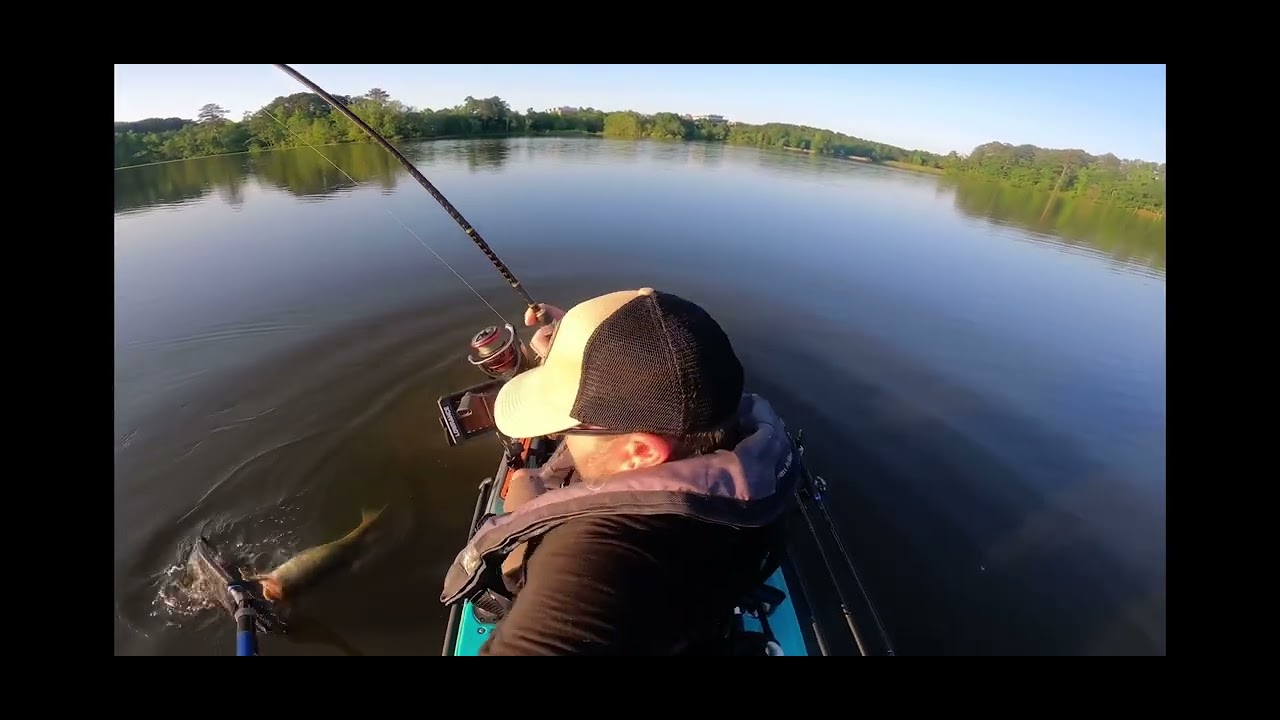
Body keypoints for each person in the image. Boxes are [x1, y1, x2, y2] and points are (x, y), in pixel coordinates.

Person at [439, 288, 802, 655]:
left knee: (525, 481)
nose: (552, 436)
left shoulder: (586, 563)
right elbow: (672, 367)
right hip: (708, 601)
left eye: (565, 429)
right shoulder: (735, 431)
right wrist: (579, 349)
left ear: (640, 451)